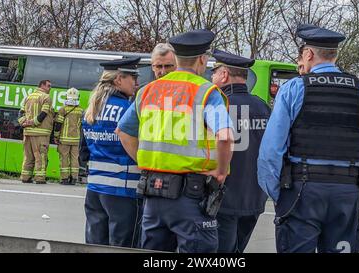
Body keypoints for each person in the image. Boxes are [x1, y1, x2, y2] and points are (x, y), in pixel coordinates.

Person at [257, 24, 359, 253]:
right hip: (346, 193)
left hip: (301, 191)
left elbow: (270, 152)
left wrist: (278, 194)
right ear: (334, 55)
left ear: (309, 54)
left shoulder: (293, 89)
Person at [118, 29, 235, 253]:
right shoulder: (206, 92)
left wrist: (149, 161)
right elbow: (225, 135)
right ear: (202, 59)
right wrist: (220, 172)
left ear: (177, 59)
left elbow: (123, 131)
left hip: (153, 194)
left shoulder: (147, 91)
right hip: (191, 197)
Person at [210, 49, 270, 253]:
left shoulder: (219, 106)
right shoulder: (263, 107)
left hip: (223, 198)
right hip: (254, 198)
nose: (212, 76)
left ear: (224, 74)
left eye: (214, 71)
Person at [81, 57, 143, 247]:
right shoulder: (130, 110)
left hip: (94, 189)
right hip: (123, 191)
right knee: (122, 246)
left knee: (95, 245)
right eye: (132, 77)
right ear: (119, 80)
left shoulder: (92, 109)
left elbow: (83, 153)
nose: (137, 83)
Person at [18, 80, 54, 184]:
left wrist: (23, 123)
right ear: (42, 85)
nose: (50, 88)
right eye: (48, 86)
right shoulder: (46, 97)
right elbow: (44, 113)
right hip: (40, 133)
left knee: (28, 156)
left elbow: (20, 112)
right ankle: (39, 178)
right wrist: (32, 122)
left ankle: (25, 177)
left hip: (27, 133)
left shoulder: (28, 97)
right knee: (41, 157)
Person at [54, 87, 84, 185]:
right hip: (76, 140)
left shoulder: (63, 109)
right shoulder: (80, 110)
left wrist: (56, 136)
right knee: (75, 158)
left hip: (64, 139)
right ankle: (74, 178)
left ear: (67, 96)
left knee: (64, 158)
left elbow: (58, 124)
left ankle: (64, 179)